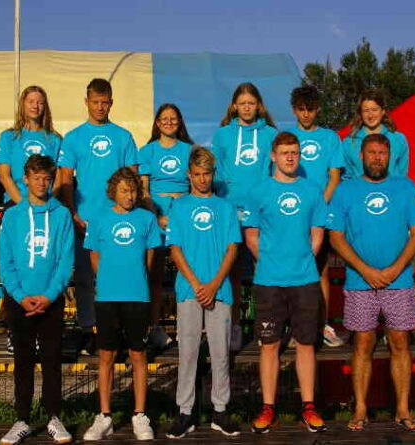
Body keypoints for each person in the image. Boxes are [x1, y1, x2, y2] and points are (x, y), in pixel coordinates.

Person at [327, 133, 415, 432]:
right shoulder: (345, 190)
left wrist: (395, 269)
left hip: (400, 281)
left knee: (400, 342)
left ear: (390, 156)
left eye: (382, 153)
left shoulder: (405, 187)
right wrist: (365, 270)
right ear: (361, 156)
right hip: (360, 281)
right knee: (362, 343)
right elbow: (336, 236)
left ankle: (403, 408)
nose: (377, 158)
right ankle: (360, 408)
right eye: (371, 152)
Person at [242, 132, 328, 434]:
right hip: (269, 282)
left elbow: (317, 235)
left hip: (305, 280)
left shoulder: (312, 190)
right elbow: (251, 237)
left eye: (294, 152)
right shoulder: (258, 191)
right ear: (273, 156)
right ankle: (268, 408)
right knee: (269, 346)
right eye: (284, 152)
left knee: (306, 344)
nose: (290, 157)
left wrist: (300, 260)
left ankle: (308, 407)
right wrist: (272, 262)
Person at [0, 154, 75, 445]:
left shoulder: (62, 215)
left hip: (50, 301)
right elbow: (5, 261)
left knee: (52, 360)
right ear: (26, 179)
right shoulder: (13, 215)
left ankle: (54, 417)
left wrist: (50, 295)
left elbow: (65, 261)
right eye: (37, 177)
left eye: (47, 178)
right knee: (23, 361)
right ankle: (22, 419)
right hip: (20, 301)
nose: (42, 183)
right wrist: (20, 296)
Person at [165, 147, 241, 439]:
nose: (202, 179)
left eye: (206, 174)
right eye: (196, 174)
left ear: (213, 174)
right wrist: (197, 284)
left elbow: (232, 248)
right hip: (189, 290)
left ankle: (220, 411)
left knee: (221, 353)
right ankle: (185, 412)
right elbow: (175, 249)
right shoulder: (179, 207)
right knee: (188, 353)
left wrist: (213, 284)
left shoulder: (225, 207)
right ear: (189, 175)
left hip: (219, 290)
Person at [59, 78, 139, 355]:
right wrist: (72, 213)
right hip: (85, 220)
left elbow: (132, 176)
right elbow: (65, 179)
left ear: (111, 103)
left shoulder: (123, 136)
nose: (100, 107)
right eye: (95, 102)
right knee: (84, 279)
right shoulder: (73, 137)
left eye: (105, 102)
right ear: (87, 102)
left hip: (117, 219)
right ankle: (88, 330)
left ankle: (117, 330)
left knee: (117, 277)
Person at [82, 167, 160, 441]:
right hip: (107, 297)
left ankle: (139, 415)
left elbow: (149, 259)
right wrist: (109, 280)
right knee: (106, 355)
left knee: (138, 355)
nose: (130, 195)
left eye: (134, 190)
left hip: (137, 297)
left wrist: (133, 279)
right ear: (113, 192)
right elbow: (94, 257)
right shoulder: (99, 218)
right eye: (124, 190)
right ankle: (104, 416)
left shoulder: (147, 219)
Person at [211, 82, 278, 350]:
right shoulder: (222, 135)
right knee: (233, 273)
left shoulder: (271, 134)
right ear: (234, 106)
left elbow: (275, 173)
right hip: (230, 209)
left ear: (258, 105)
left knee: (265, 270)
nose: (247, 107)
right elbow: (216, 172)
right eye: (242, 103)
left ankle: (267, 326)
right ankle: (234, 327)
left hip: (261, 210)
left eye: (251, 103)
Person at [286, 85, 345, 348]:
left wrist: (319, 205)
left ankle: (323, 324)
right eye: (301, 109)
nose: (306, 114)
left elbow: (334, 177)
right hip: (293, 215)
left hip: (322, 215)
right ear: (294, 110)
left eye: (310, 109)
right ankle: (294, 327)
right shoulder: (287, 138)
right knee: (293, 270)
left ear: (317, 109)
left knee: (321, 270)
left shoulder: (330, 138)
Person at [138, 103, 193, 349]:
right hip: (156, 218)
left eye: (173, 118)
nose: (169, 122)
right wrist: (156, 216)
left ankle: (187, 326)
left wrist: (183, 216)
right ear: (157, 123)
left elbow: (195, 186)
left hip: (184, 217)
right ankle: (154, 327)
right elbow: (144, 190)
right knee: (155, 274)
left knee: (188, 273)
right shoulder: (147, 151)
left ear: (179, 122)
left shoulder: (189, 150)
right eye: (164, 119)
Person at [0, 85, 62, 205]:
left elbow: (59, 178)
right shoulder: (8, 137)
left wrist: (48, 204)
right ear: (23, 104)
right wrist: (23, 205)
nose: (35, 106)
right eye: (31, 102)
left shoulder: (55, 139)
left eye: (40, 103)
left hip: (46, 204)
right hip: (16, 203)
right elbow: (4, 176)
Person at [341, 89, 409, 180]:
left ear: (383, 111)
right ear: (360, 113)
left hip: (392, 189)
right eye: (366, 111)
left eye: (374, 110)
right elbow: (347, 177)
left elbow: (402, 174)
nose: (370, 115)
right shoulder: (349, 143)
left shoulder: (398, 139)